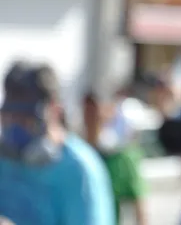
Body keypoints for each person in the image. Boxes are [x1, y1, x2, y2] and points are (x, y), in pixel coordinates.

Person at [0, 61, 115, 225]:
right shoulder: (4, 161)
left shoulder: (78, 169)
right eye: (9, 118)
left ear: (54, 110)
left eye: (27, 120)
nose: (15, 128)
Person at [83, 91, 147, 225]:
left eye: (94, 111)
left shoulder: (121, 156)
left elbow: (139, 203)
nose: (90, 117)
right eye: (87, 112)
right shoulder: (78, 153)